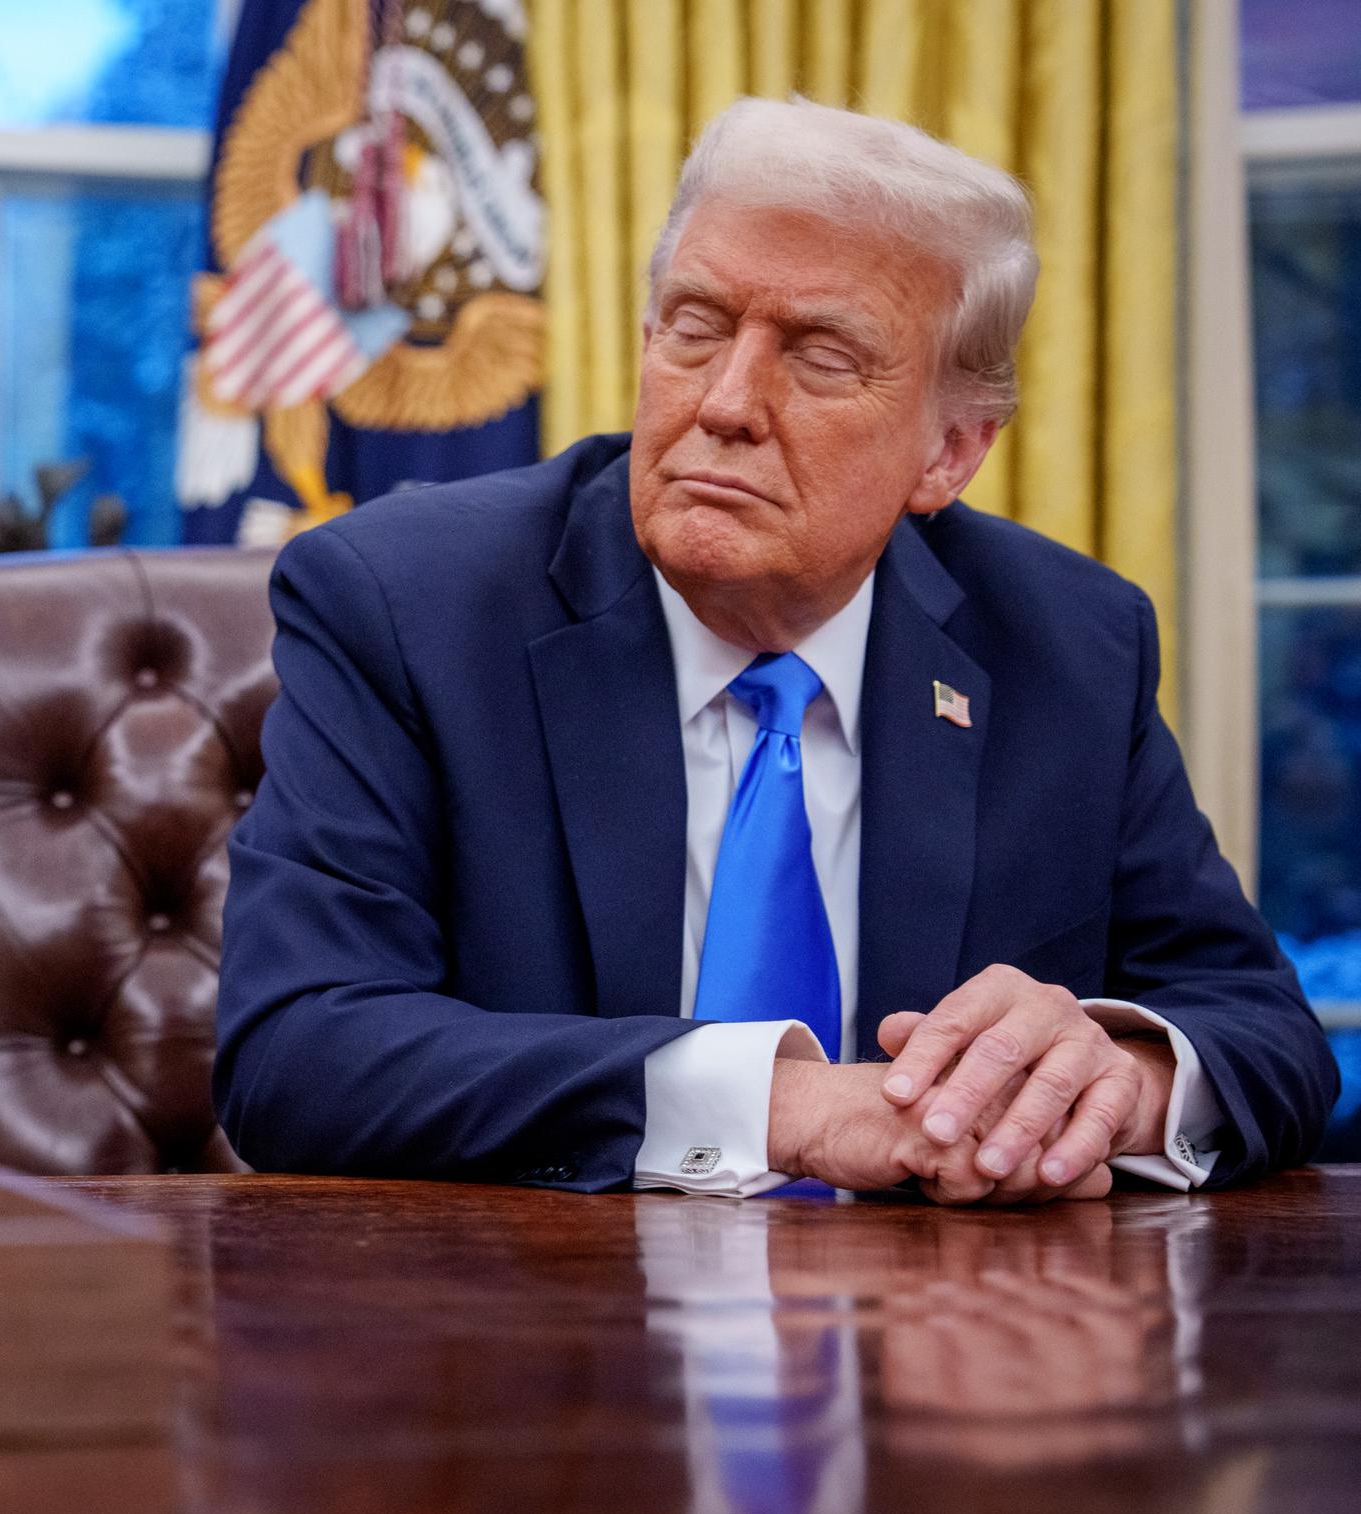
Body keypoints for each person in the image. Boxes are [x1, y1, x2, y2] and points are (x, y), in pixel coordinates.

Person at [215, 98, 1336, 1203]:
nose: (727, 403)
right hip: (539, 1342)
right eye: (695, 326)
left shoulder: (1069, 645)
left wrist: (1115, 1083)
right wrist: (788, 1105)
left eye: (822, 356)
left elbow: (1267, 1037)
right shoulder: (407, 605)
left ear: (949, 451)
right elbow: (297, 1049)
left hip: (952, 1352)